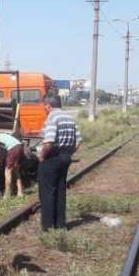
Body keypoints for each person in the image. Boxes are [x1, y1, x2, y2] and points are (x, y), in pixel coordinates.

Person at [37, 95, 82, 231]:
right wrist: (68, 154)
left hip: (52, 158)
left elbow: (49, 142)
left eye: (44, 106)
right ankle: (60, 225)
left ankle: (48, 227)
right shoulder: (70, 117)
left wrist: (42, 156)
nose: (44, 109)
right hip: (65, 158)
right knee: (60, 190)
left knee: (47, 192)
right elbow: (79, 140)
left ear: (47, 105)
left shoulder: (52, 117)